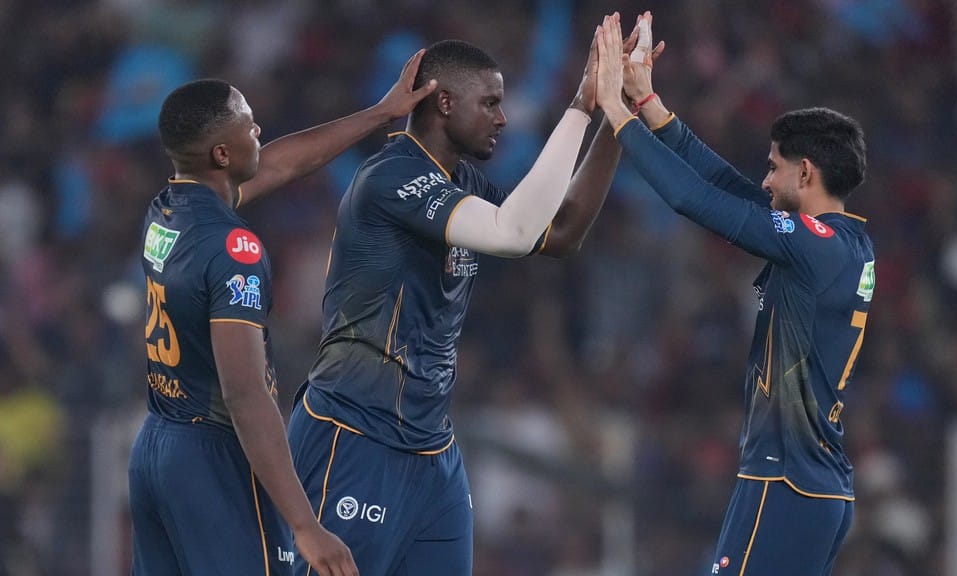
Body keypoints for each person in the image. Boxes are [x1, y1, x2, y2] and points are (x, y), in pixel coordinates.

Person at [286, 17, 632, 576]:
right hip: (353, 434)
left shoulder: (461, 184)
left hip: (431, 452)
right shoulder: (390, 177)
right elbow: (513, 233)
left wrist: (619, 117)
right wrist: (581, 105)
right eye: (491, 103)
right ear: (444, 103)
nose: (502, 117)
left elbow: (560, 232)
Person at [129, 50, 436, 576]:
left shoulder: (166, 210)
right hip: (213, 459)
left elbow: (284, 161)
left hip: (157, 446)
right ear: (222, 154)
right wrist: (304, 525)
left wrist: (382, 113)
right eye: (250, 126)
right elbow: (244, 393)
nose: (260, 132)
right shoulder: (233, 249)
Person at [595, 14, 874, 575]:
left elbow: (693, 200)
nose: (765, 180)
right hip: (813, 485)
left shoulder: (813, 245)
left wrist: (615, 112)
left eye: (773, 168)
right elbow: (724, 187)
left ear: (806, 172)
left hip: (785, 480)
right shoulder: (844, 241)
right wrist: (648, 102)